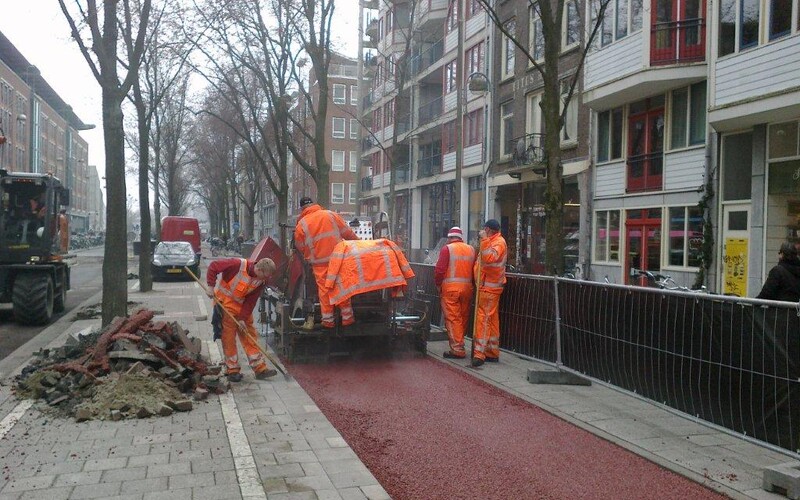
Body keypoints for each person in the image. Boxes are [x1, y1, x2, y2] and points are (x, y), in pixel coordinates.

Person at [206, 257, 279, 381]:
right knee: (228, 337)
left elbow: (251, 301)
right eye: (264, 276)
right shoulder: (236, 264)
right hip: (225, 304)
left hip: (242, 308)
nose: (265, 279)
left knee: (249, 334)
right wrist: (210, 287)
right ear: (259, 269)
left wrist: (242, 318)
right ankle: (232, 370)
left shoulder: (260, 281)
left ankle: (259, 368)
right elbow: (213, 266)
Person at [294, 196, 359, 328]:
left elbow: (300, 246)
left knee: (324, 290)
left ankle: (328, 321)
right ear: (314, 204)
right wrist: (360, 245)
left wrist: (309, 256)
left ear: (302, 209)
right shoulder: (330, 215)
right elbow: (348, 233)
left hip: (319, 262)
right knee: (341, 286)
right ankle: (347, 318)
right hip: (338, 258)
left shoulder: (302, 224)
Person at [434, 227, 476, 359]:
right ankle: (460, 342)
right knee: (463, 317)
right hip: (467, 288)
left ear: (449, 237)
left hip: (451, 289)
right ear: (460, 237)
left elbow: (440, 270)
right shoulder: (471, 249)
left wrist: (438, 284)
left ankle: (457, 349)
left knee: (453, 319)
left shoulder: (447, 249)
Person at [471, 219, 507, 367]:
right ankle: (492, 351)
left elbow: (489, 258)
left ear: (488, 229)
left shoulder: (497, 242)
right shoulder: (495, 241)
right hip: (488, 287)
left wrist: (484, 240)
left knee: (483, 319)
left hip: (489, 287)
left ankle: (479, 354)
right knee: (491, 320)